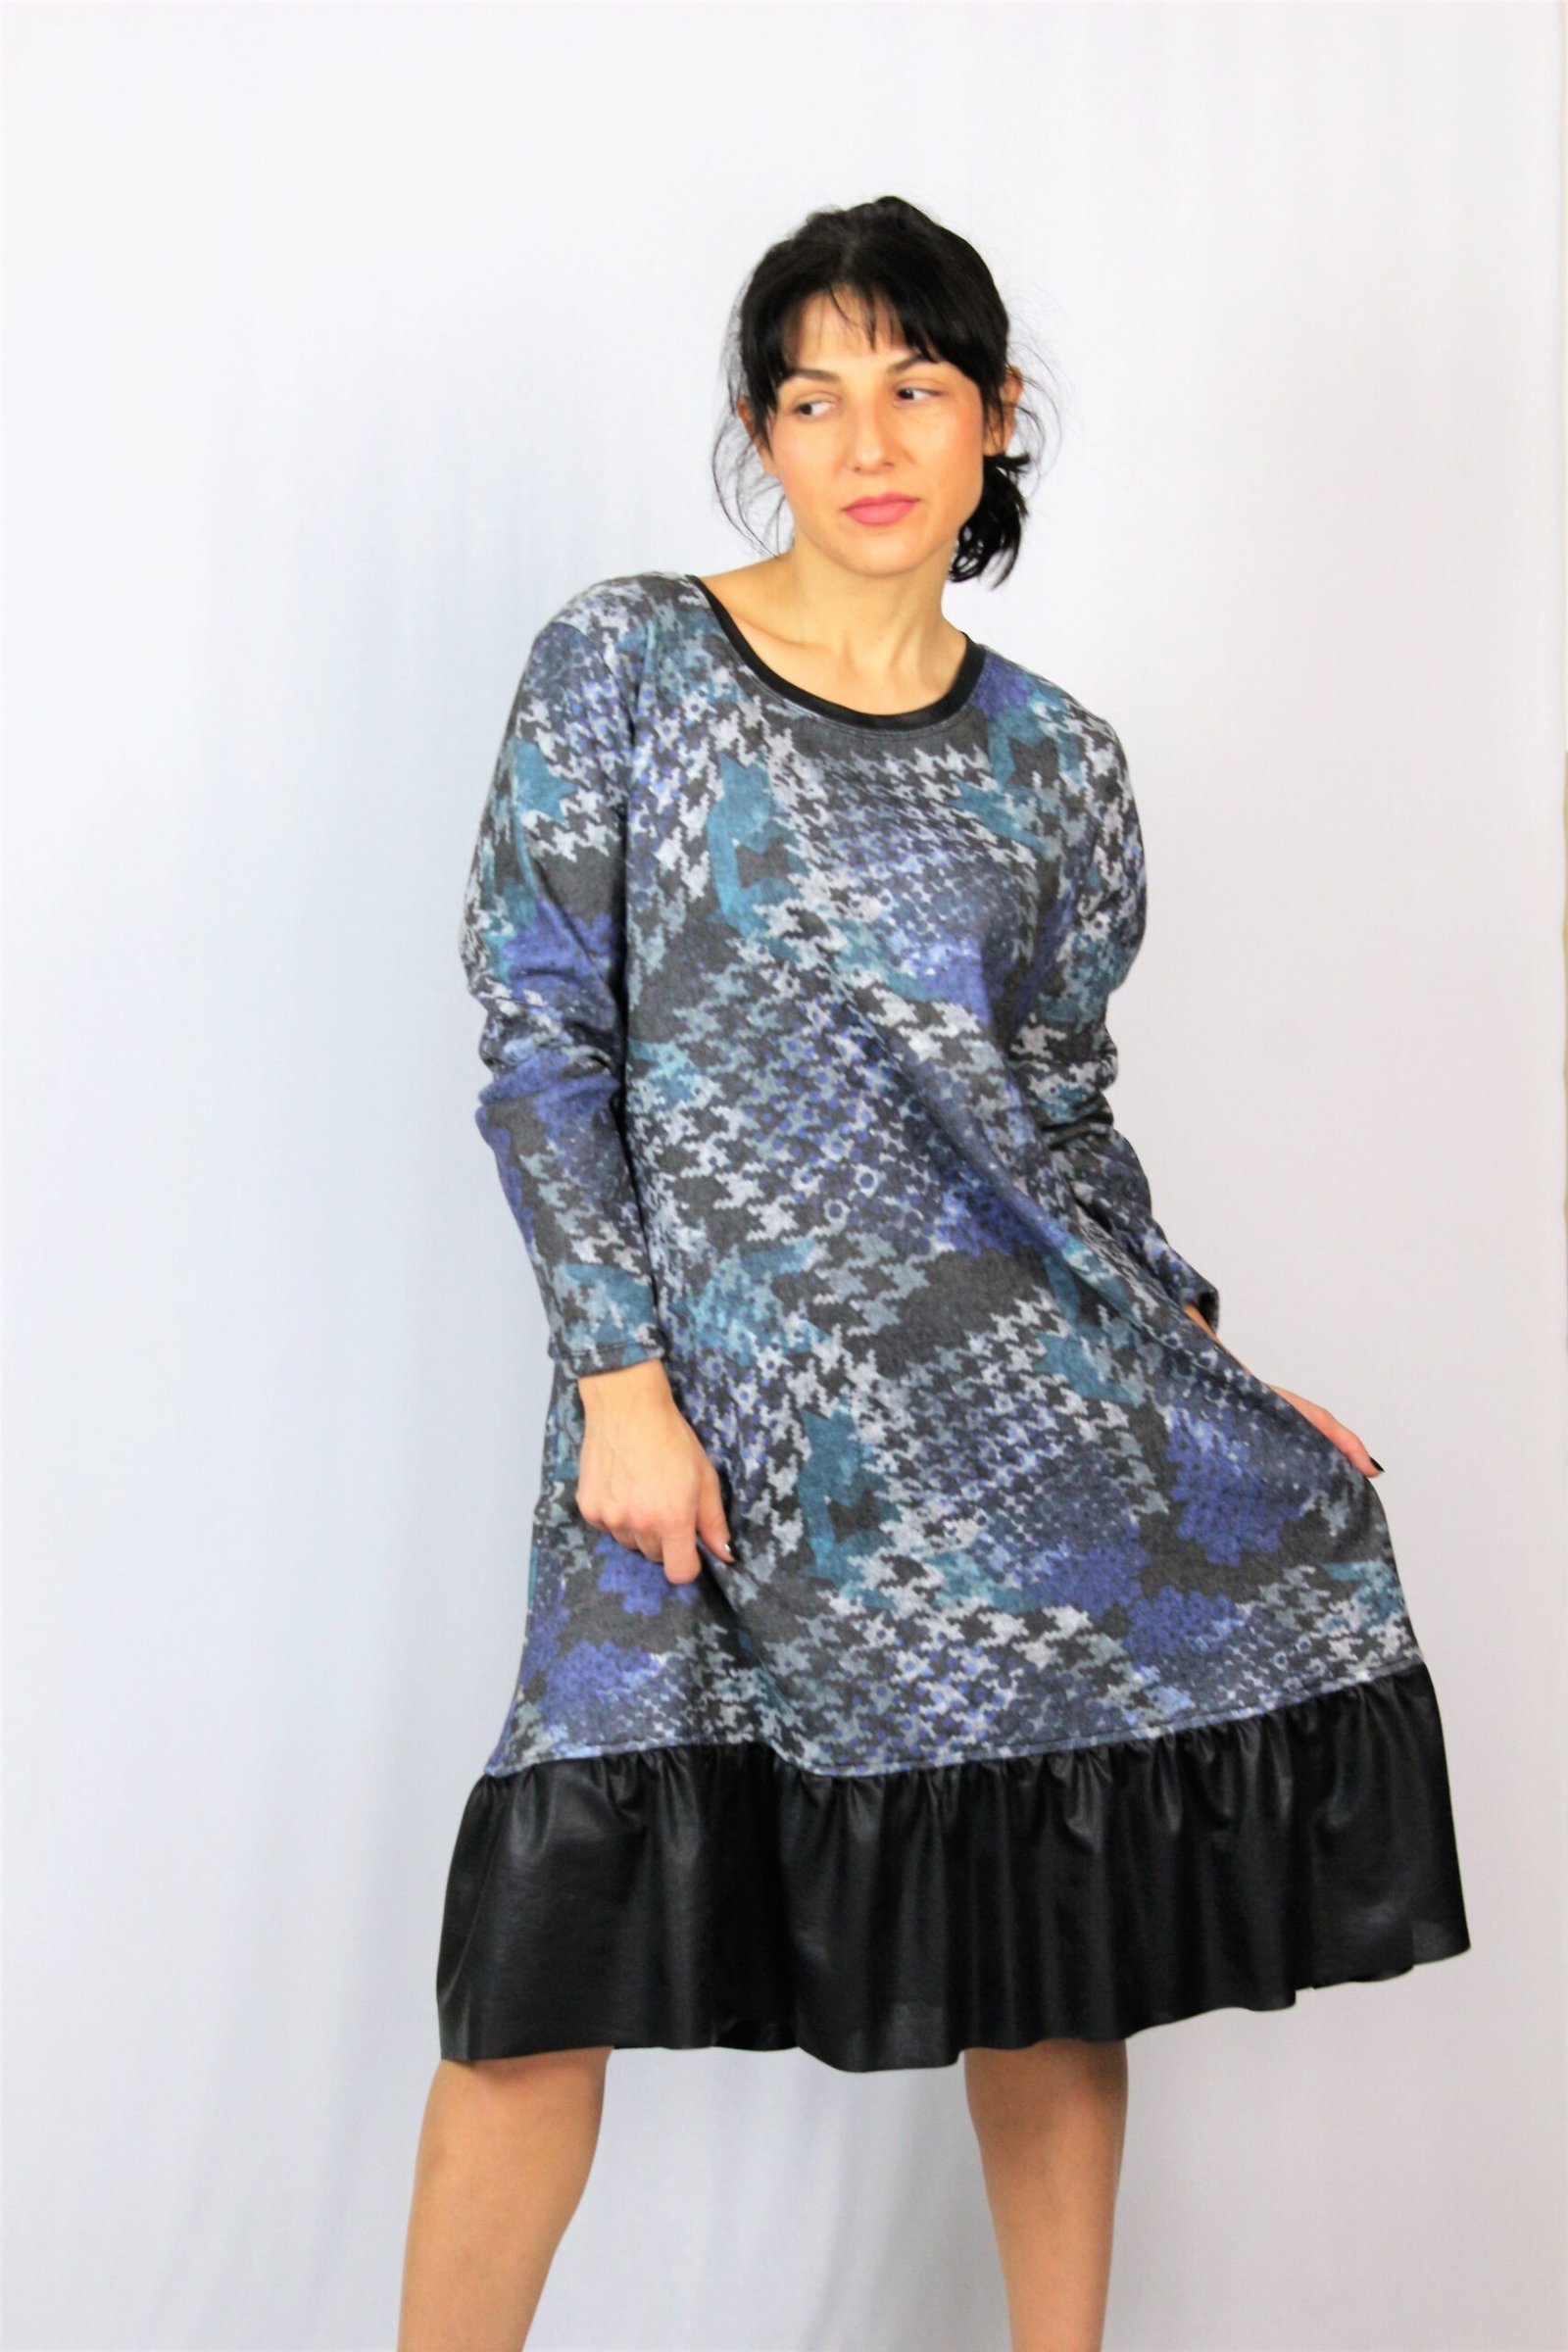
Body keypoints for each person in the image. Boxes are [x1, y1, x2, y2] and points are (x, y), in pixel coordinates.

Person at [398, 195, 1470, 2352]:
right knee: (546, 1965)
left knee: (1050, 1939)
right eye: (813, 399)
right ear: (757, 434)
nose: (866, 440)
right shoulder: (626, 664)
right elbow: (542, 1044)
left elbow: (1055, 1117)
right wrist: (619, 1382)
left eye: (915, 388)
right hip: (701, 1431)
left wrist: (1199, 1365)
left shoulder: (1057, 764)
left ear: (994, 420)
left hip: (1007, 1427)